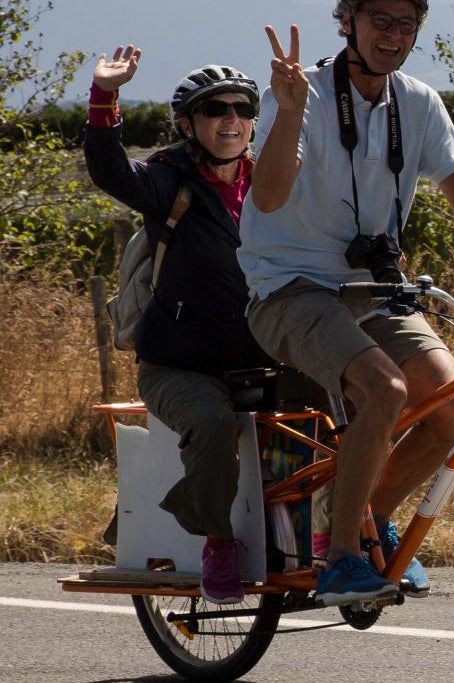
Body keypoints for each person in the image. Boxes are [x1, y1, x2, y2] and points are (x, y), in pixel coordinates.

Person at [237, 0, 454, 607]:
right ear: (348, 22)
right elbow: (270, 194)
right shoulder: (297, 93)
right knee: (385, 390)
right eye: (380, 20)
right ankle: (337, 558)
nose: (393, 34)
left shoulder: (417, 103)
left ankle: (369, 526)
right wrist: (286, 115)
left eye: (406, 23)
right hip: (291, 288)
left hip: (376, 288)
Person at [84, 45, 272, 604]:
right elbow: (110, 170)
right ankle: (215, 539)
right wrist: (104, 97)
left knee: (347, 401)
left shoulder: (274, 182)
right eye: (216, 110)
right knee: (213, 425)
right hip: (176, 365)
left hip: (259, 353)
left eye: (242, 108)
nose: (232, 120)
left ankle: (338, 535)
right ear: (189, 125)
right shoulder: (170, 179)